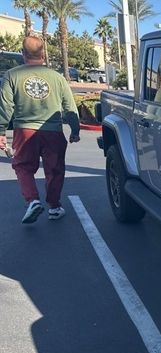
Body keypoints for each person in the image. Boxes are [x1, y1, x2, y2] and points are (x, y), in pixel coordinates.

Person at [0, 36, 80, 224]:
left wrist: (1, 131)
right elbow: (69, 106)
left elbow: (5, 107)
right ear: (43, 53)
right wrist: (75, 130)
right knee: (55, 169)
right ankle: (54, 206)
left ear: (23, 53)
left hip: (24, 130)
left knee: (23, 167)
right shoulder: (57, 77)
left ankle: (33, 200)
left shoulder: (12, 75)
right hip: (53, 131)